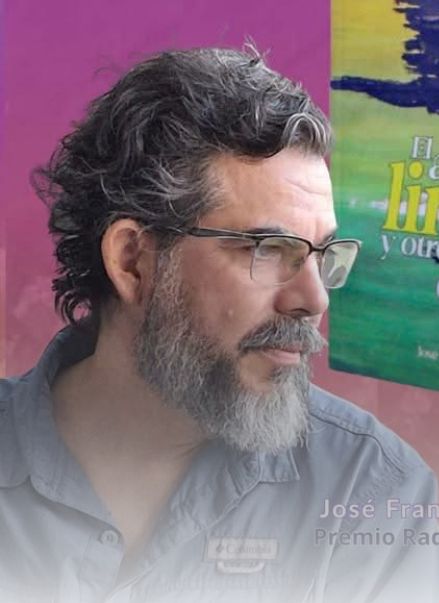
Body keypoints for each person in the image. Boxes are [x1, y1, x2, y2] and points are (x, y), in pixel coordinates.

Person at [0, 47, 437, 603]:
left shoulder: (375, 498)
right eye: (269, 249)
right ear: (133, 261)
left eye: (323, 255)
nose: (314, 299)